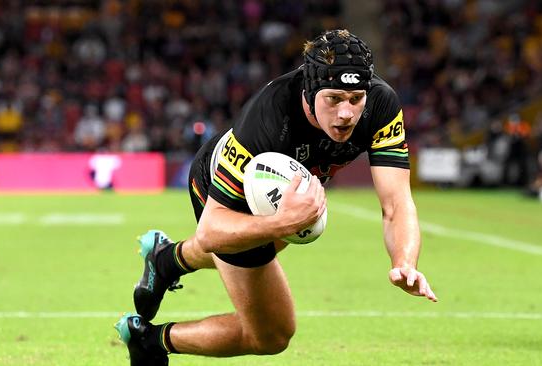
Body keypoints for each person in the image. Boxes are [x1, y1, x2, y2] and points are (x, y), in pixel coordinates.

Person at [115, 29, 437, 365]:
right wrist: (281, 222)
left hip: (285, 191)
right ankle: (149, 339)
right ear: (310, 91)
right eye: (334, 99)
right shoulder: (269, 116)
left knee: (265, 245)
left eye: (356, 99)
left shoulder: (382, 104)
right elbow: (212, 232)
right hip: (227, 188)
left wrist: (404, 262)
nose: (346, 113)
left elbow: (397, 203)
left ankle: (166, 260)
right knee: (272, 335)